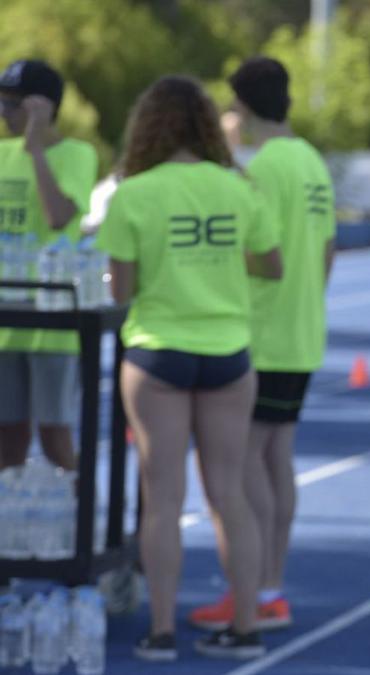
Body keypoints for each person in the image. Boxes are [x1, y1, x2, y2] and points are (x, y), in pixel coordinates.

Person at [95, 75, 281, 662]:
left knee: (163, 497)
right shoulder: (239, 188)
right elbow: (270, 266)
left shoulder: (134, 193)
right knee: (229, 495)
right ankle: (246, 625)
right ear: (206, 124)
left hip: (157, 352)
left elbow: (121, 288)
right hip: (227, 349)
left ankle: (161, 632)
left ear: (148, 126)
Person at [187, 56, 336, 637]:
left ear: (242, 110)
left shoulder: (263, 169)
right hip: (302, 329)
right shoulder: (311, 163)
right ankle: (269, 585)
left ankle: (253, 591)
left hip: (261, 334)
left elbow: (257, 252)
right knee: (276, 461)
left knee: (241, 467)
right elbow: (324, 251)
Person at [0, 59, 98, 471]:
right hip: (6, 319)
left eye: (13, 104)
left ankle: (77, 527)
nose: (4, 113)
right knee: (7, 438)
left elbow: (58, 215)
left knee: (54, 436)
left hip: (51, 324)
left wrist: (36, 149)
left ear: (43, 108)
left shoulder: (77, 154)